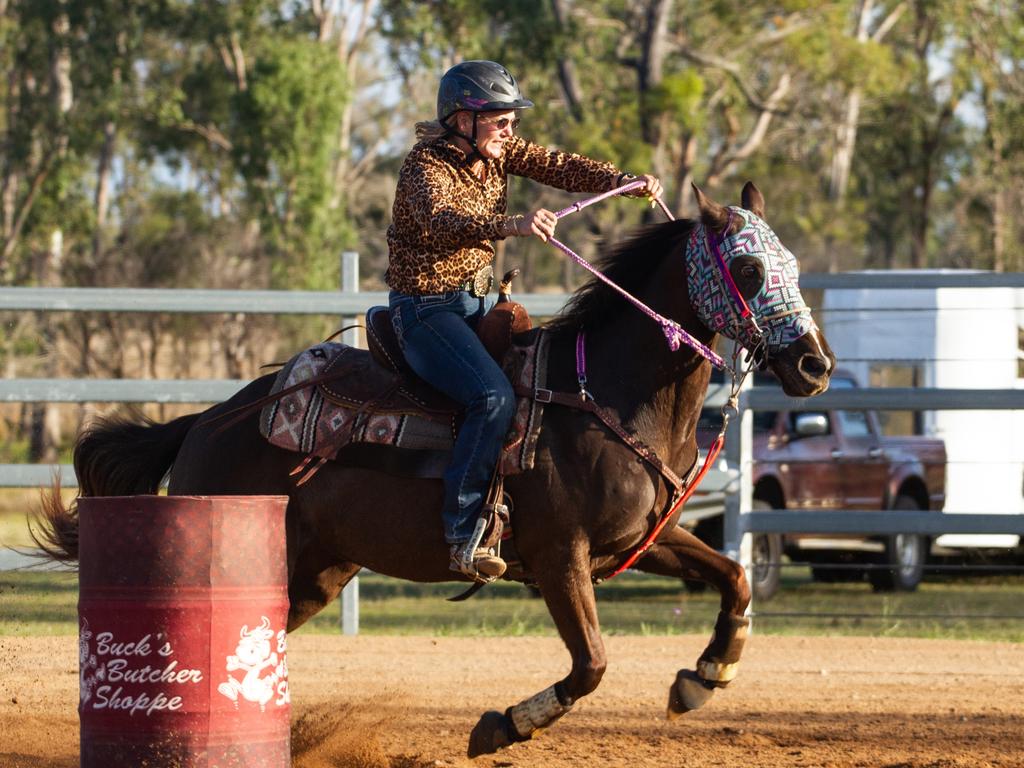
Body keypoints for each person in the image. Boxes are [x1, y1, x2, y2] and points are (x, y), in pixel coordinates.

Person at [386, 60, 662, 582]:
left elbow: (560, 165)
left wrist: (622, 182)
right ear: (462, 119)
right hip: (424, 310)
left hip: (474, 307)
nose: (510, 131)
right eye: (500, 120)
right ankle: (462, 532)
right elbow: (442, 220)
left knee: (543, 386)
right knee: (491, 397)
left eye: (511, 120)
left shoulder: (499, 152)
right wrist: (509, 224)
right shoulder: (424, 167)